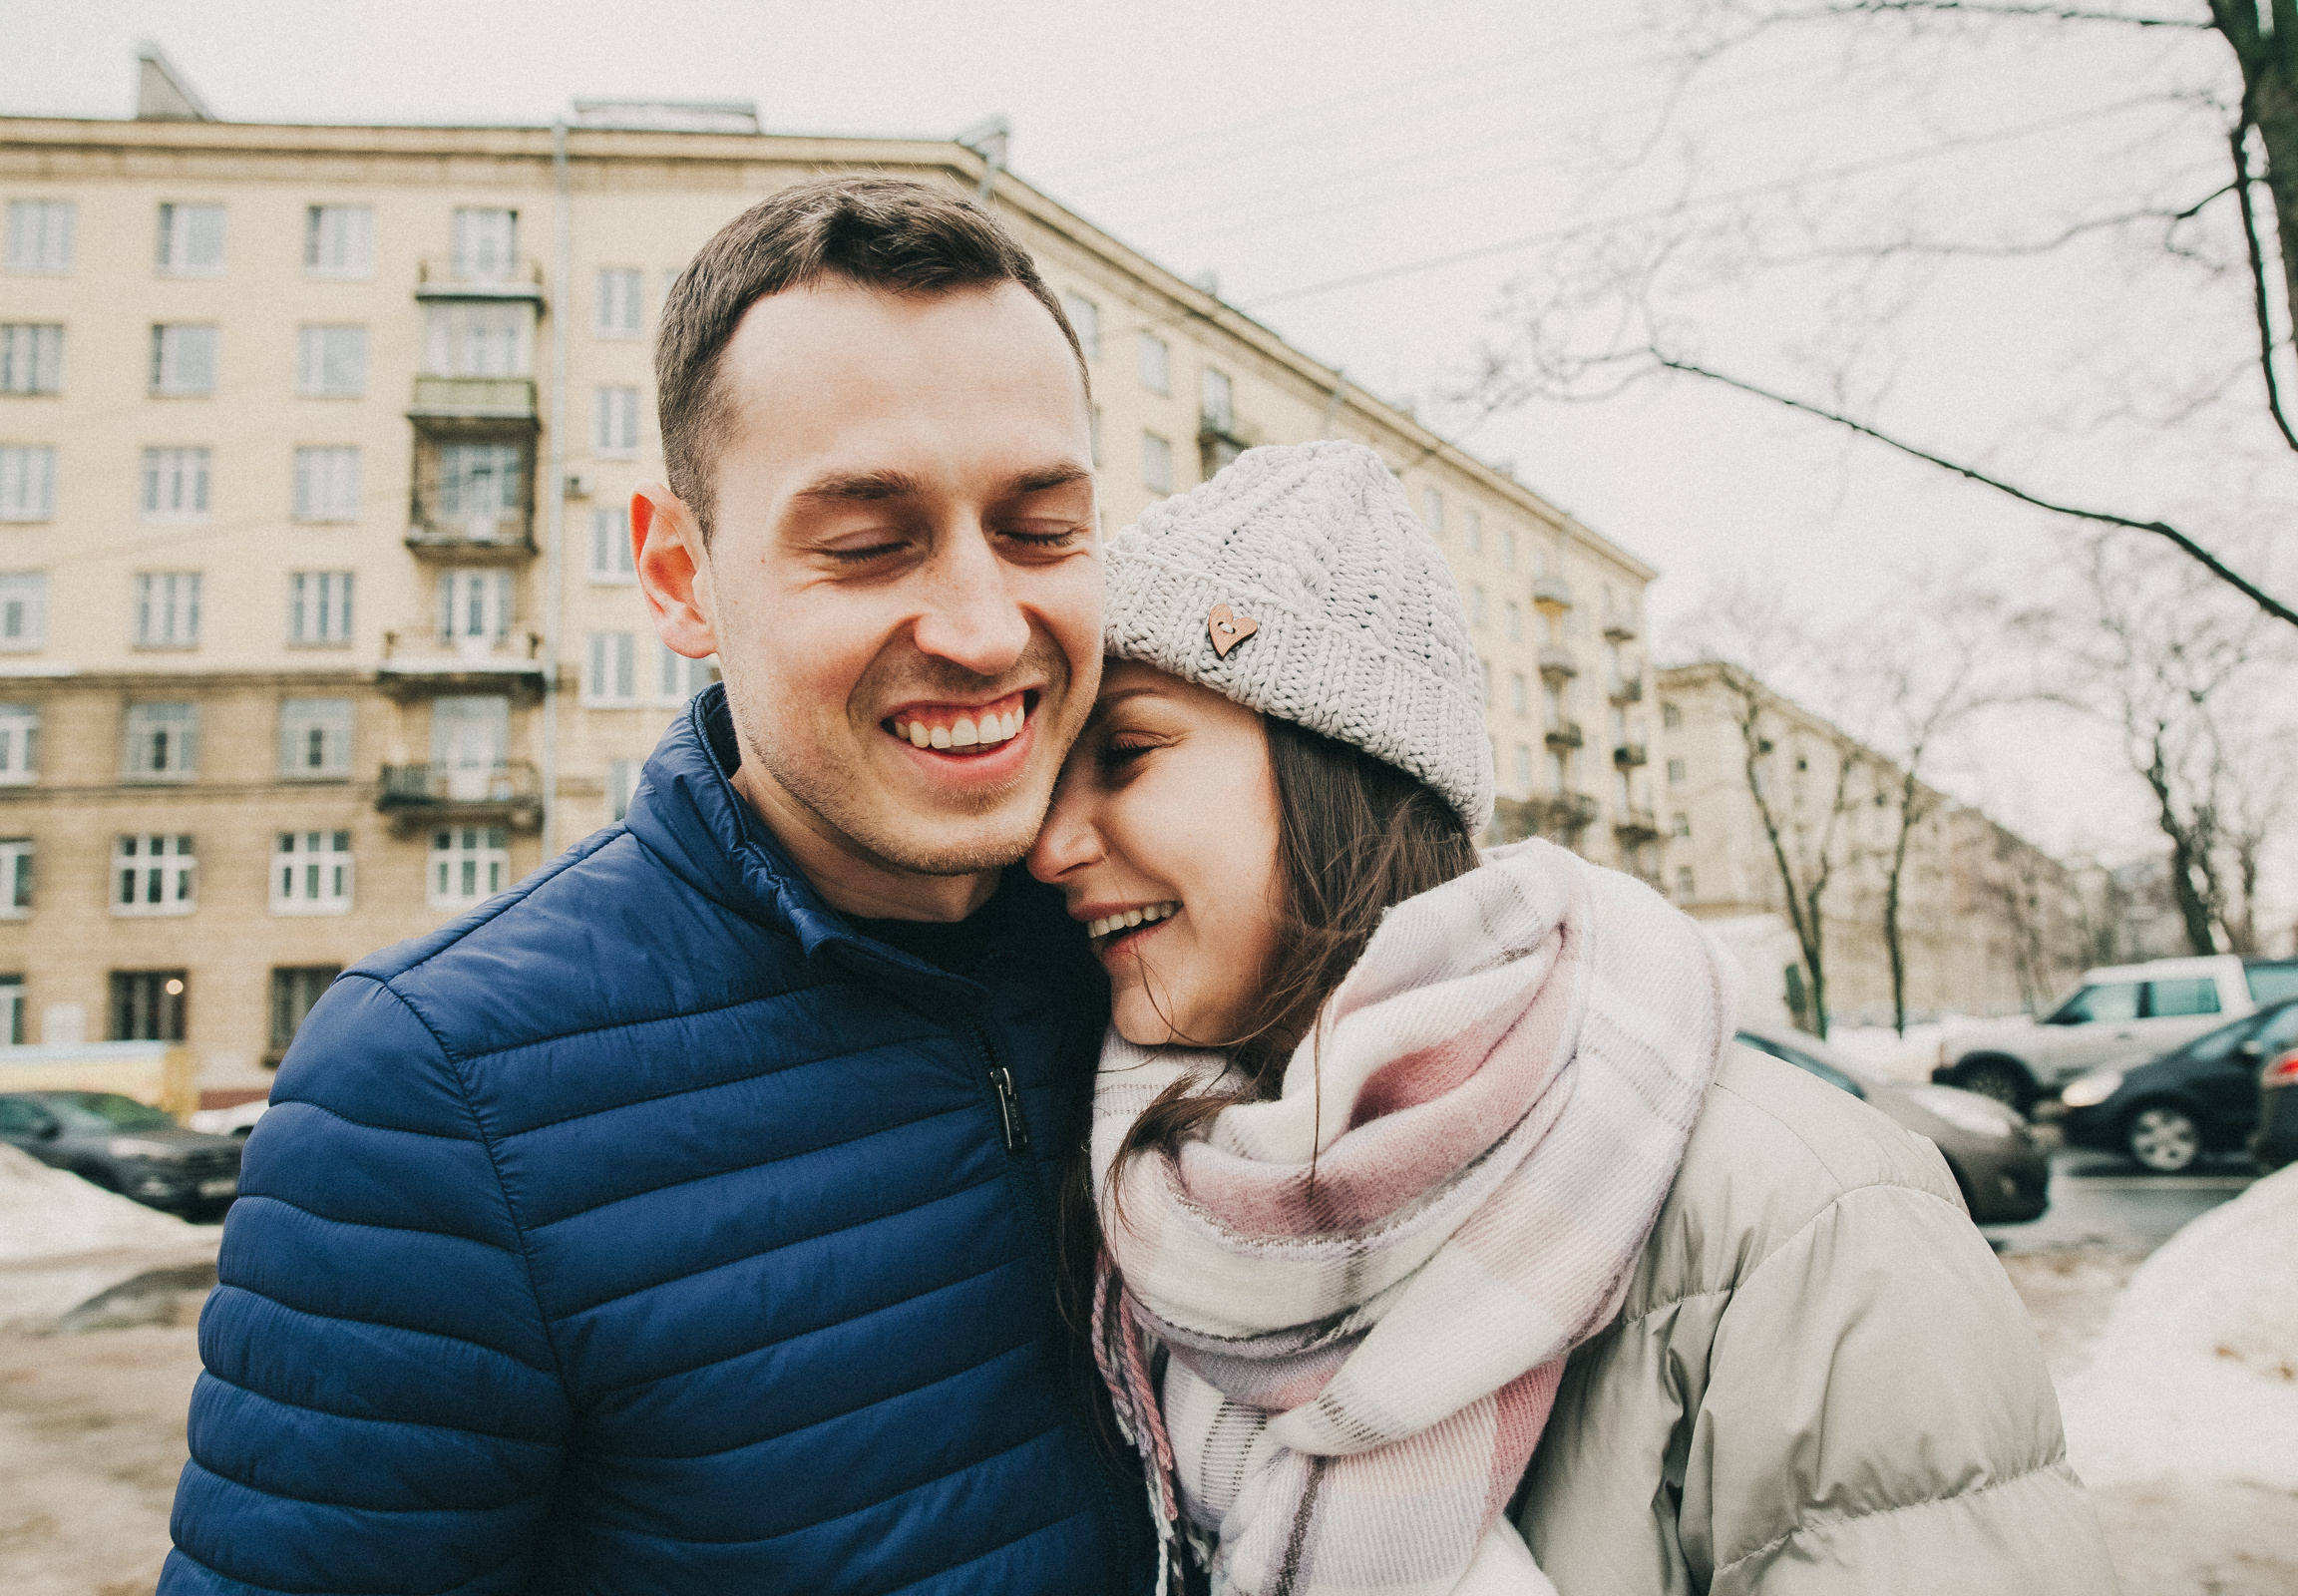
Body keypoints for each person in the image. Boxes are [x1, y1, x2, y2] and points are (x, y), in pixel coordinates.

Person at [161, 177, 1154, 1594]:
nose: (988, 629)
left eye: (1044, 528)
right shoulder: (434, 1098)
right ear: (682, 577)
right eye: (868, 543)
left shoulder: (1155, 953)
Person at [1029, 440, 2117, 1595]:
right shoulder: (1151, 1194)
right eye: (1054, 781)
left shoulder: (1806, 1215)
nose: (1052, 846)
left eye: (1129, 753)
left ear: (1335, 764)